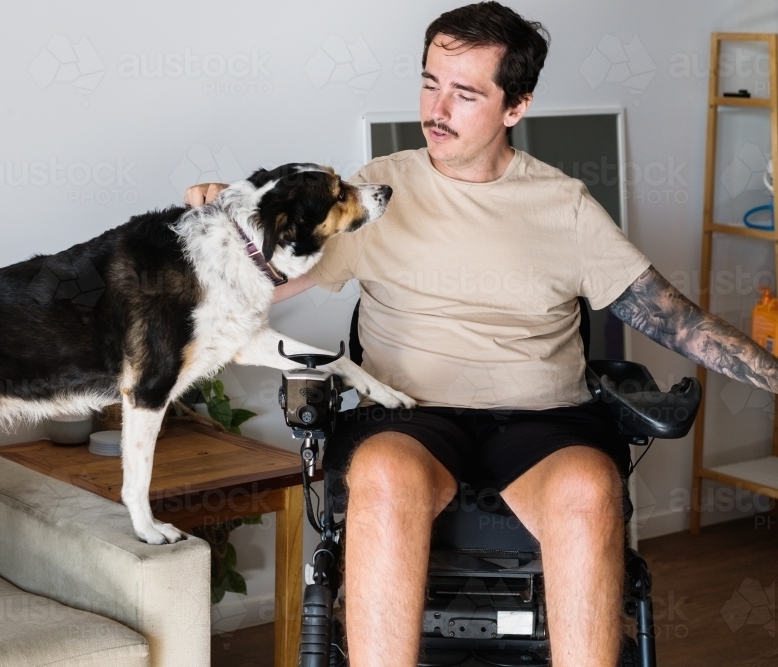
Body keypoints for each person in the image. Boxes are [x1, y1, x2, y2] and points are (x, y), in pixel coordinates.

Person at [186, 3, 778, 666]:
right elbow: (251, 276)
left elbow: (675, 321)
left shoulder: (564, 205)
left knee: (590, 484)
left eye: (465, 93)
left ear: (515, 107)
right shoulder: (375, 192)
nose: (436, 109)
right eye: (429, 83)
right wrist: (225, 221)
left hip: (542, 421)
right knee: (381, 471)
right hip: (409, 415)